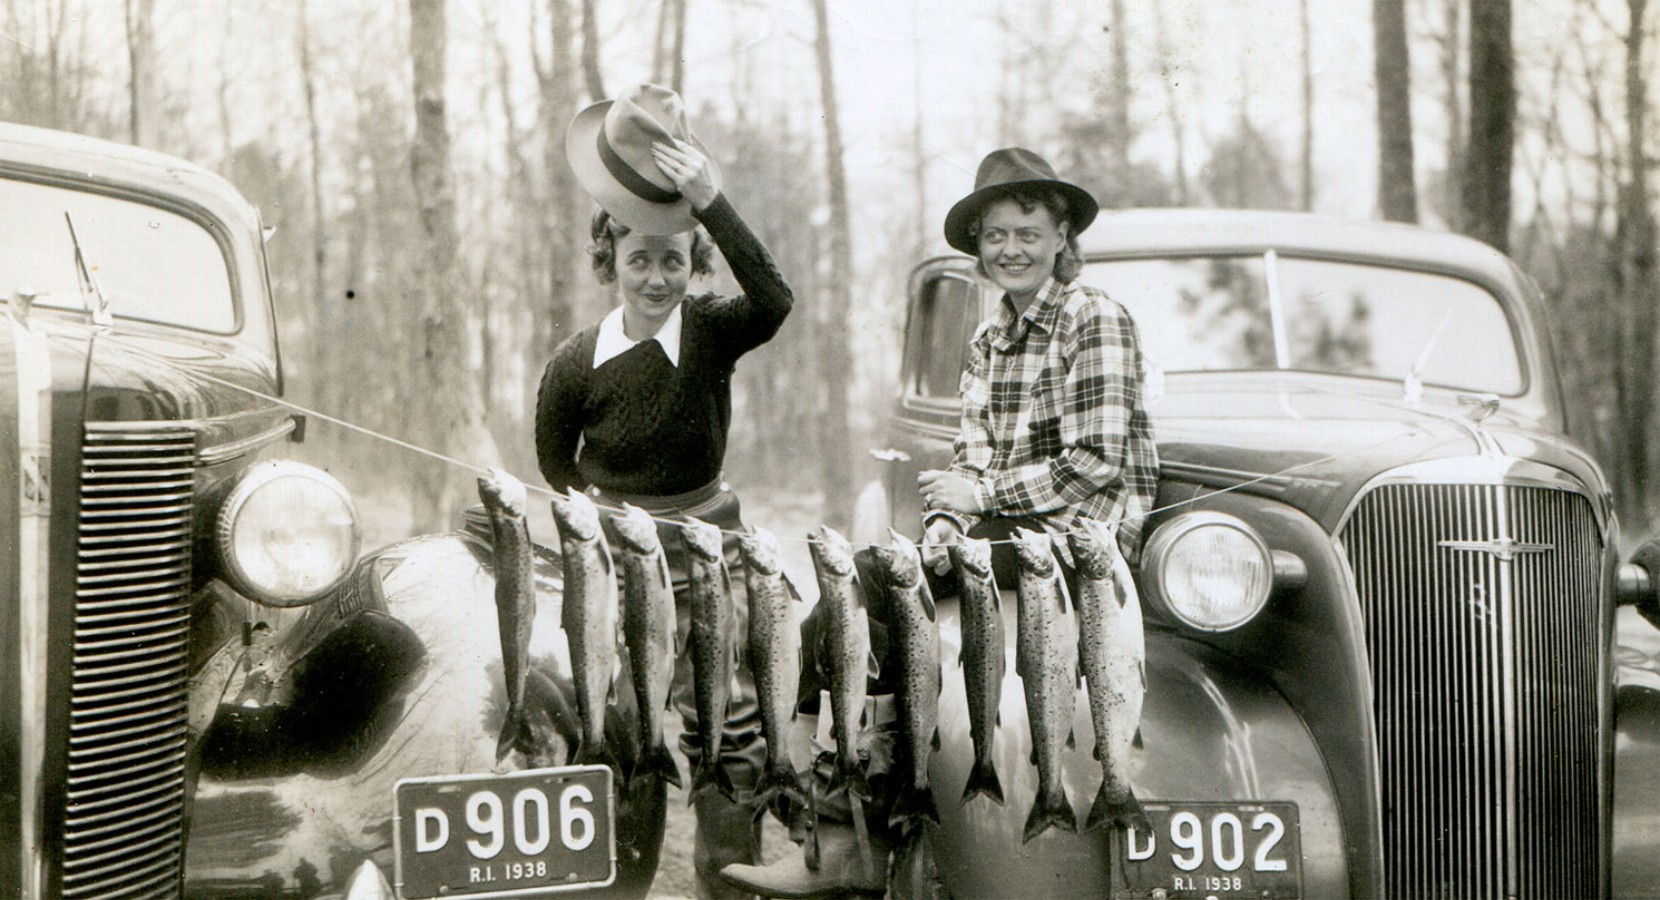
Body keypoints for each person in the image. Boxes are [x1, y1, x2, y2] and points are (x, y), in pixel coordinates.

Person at [722, 147, 1157, 899]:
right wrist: (953, 520)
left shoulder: (1095, 318)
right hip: (1005, 542)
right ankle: (832, 818)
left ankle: (845, 827)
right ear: (979, 247)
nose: (1011, 249)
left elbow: (1098, 459)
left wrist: (979, 501)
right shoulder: (989, 339)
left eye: (1027, 232)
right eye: (995, 236)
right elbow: (971, 458)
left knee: (869, 595)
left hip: (1078, 552)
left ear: (1061, 237)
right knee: (844, 599)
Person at [539, 83, 793, 900]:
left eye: (673, 261)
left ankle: (727, 879)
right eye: (638, 259)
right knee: (618, 721)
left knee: (733, 722)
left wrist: (712, 200)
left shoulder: (715, 331)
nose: (655, 279)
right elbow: (555, 463)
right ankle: (620, 882)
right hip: (616, 559)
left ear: (696, 265)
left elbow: (776, 298)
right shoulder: (576, 361)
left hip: (711, 553)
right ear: (608, 259)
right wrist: (598, 514)